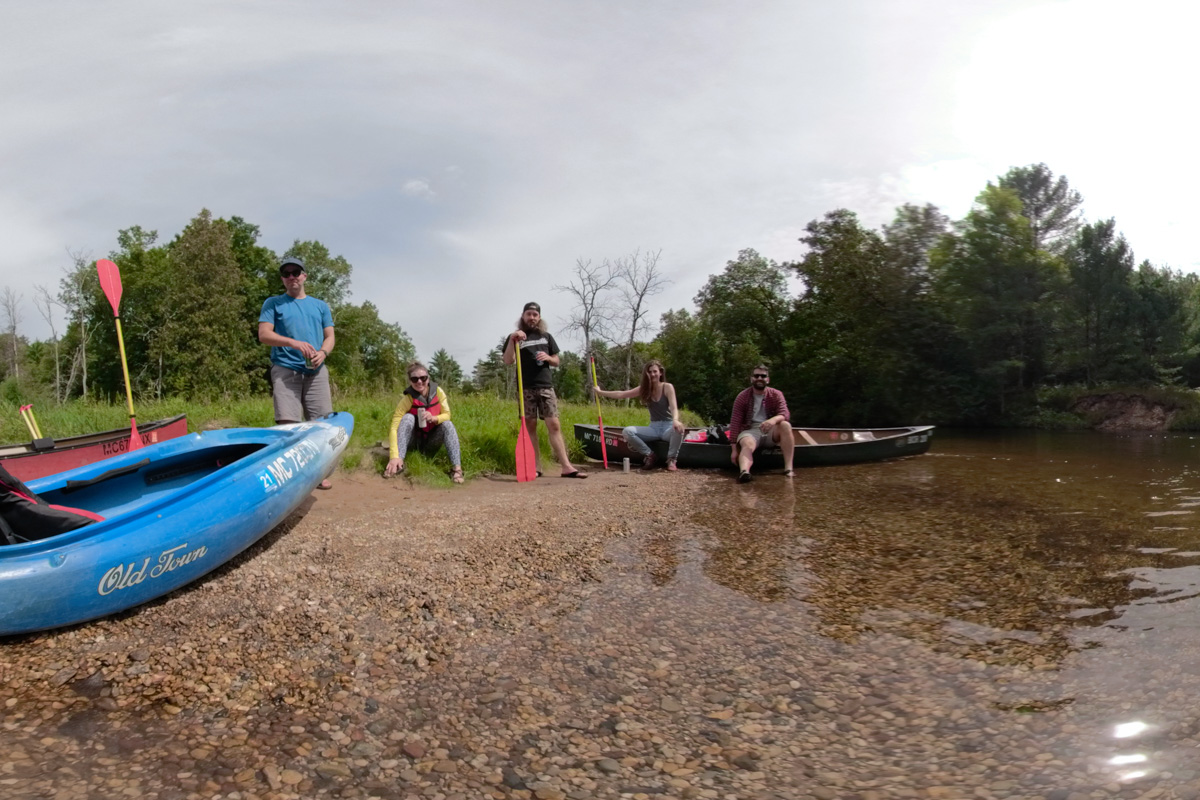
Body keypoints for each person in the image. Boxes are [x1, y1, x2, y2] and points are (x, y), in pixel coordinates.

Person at [257, 255, 336, 488]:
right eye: (286, 273)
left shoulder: (320, 306)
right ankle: (291, 477)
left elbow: (330, 336)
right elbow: (264, 335)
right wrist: (292, 343)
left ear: (304, 276)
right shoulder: (273, 303)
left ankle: (319, 473)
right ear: (283, 278)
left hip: (316, 371)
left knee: (321, 423)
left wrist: (323, 352)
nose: (291, 277)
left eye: (296, 272)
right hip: (285, 369)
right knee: (288, 425)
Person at [502, 302, 587, 478]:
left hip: (546, 386)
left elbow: (557, 361)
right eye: (528, 314)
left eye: (535, 314)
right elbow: (508, 360)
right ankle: (536, 466)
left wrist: (548, 357)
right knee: (530, 425)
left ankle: (566, 466)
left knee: (554, 424)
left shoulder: (546, 336)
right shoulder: (516, 338)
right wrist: (512, 338)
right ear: (523, 316)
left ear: (539, 317)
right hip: (525, 387)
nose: (532, 317)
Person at [594, 359, 685, 471]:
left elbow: (674, 408)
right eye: (650, 372)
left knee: (679, 429)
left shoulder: (667, 387)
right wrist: (600, 392)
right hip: (654, 427)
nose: (652, 374)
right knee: (627, 431)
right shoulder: (644, 389)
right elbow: (622, 394)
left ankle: (671, 459)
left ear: (660, 373)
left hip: (668, 427)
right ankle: (650, 455)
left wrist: (675, 420)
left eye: (655, 371)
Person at [384, 362, 464, 484]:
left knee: (448, 424)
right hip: (413, 440)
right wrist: (394, 455)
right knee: (407, 418)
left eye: (423, 378)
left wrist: (434, 418)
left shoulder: (438, 392)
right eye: (415, 379)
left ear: (428, 378)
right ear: (410, 381)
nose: (419, 382)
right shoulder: (408, 399)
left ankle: (457, 469)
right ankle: (398, 463)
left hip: (431, 440)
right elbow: (394, 427)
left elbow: (447, 414)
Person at [729, 364, 794, 483]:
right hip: (750, 429)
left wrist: (772, 420)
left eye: (763, 376)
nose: (759, 378)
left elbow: (785, 413)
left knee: (785, 425)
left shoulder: (776, 394)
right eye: (756, 375)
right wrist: (733, 449)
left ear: (767, 379)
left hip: (771, 429)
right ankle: (744, 472)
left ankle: (788, 469)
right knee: (747, 443)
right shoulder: (742, 397)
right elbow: (735, 423)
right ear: (751, 379)